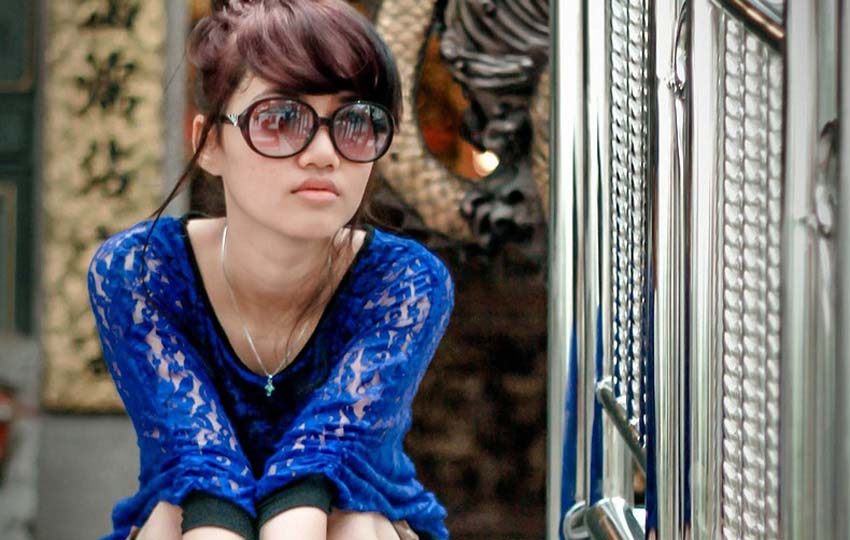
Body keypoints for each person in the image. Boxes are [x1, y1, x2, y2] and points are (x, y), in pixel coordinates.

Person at [86, 1, 454, 539]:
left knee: (358, 523)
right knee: (173, 520)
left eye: (356, 121)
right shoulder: (138, 272)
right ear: (210, 143)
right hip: (194, 517)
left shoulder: (405, 282)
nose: (324, 154)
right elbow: (201, 472)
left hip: (352, 518)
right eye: (281, 119)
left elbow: (320, 470)